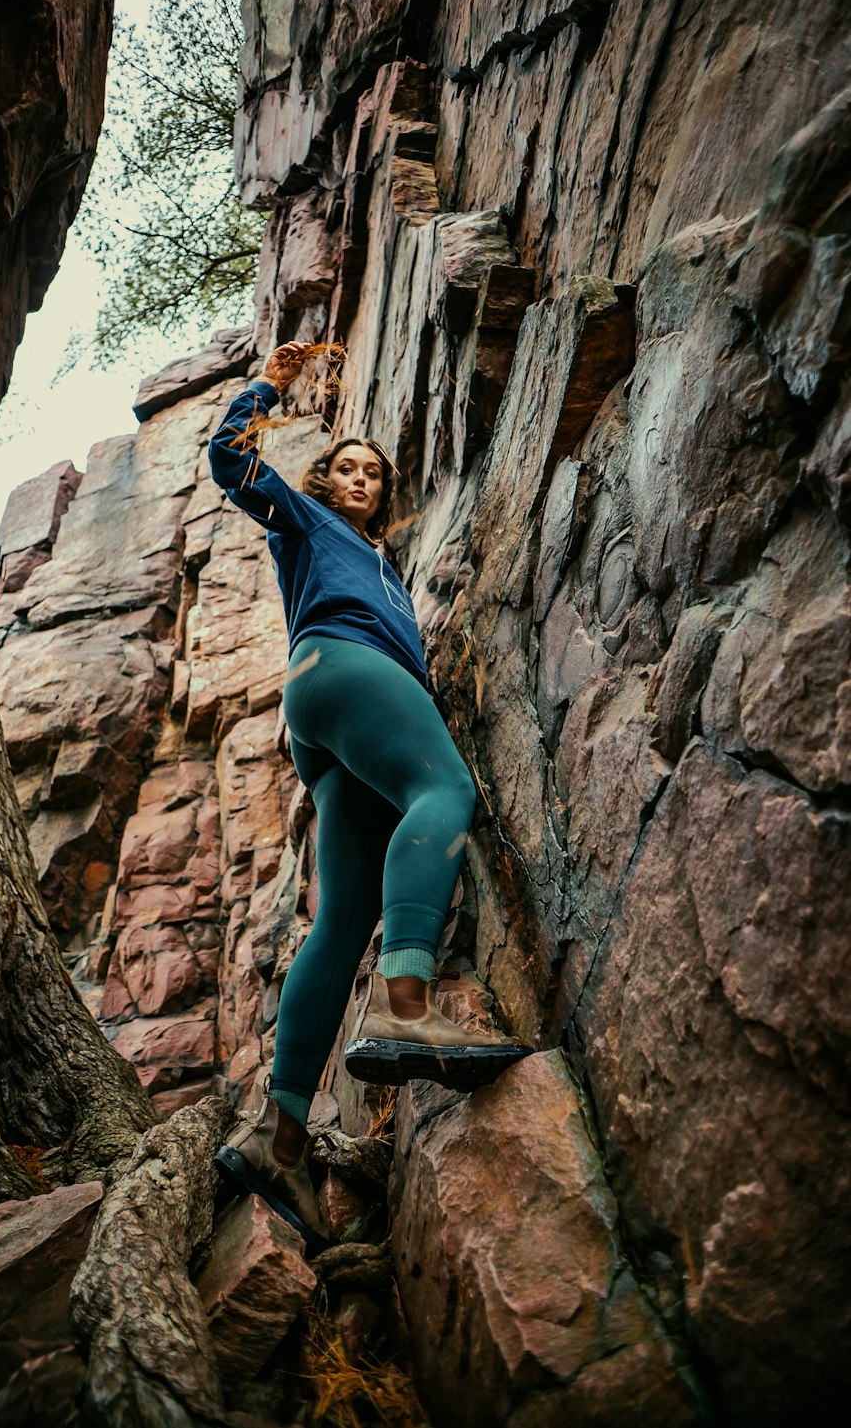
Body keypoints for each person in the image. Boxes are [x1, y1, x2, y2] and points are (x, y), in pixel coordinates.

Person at [208, 341, 531, 1250]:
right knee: (445, 786)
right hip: (342, 673)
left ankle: (276, 1136)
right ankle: (406, 999)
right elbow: (230, 461)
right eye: (344, 466)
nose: (357, 477)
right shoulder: (305, 523)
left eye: (372, 472)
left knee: (339, 918)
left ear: (385, 493)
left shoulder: (379, 560)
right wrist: (269, 382)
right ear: (323, 478)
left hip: (327, 719)